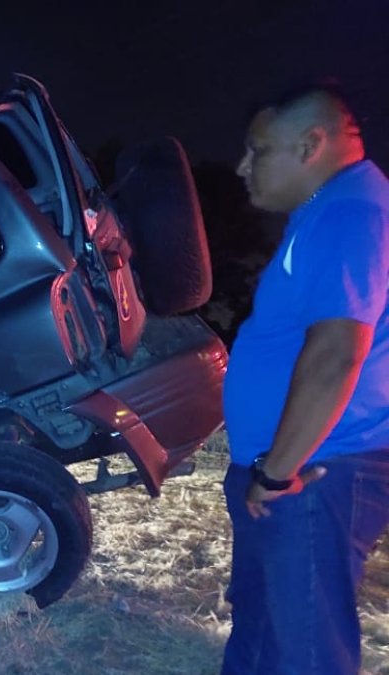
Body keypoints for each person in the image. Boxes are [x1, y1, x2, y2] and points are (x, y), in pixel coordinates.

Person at [223, 81, 389, 674]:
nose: (243, 167)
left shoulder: (350, 212)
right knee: (264, 630)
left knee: (306, 652)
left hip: (317, 473)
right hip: (297, 470)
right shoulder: (324, 214)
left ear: (311, 144)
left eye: (257, 150)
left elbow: (336, 354)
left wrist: (276, 472)